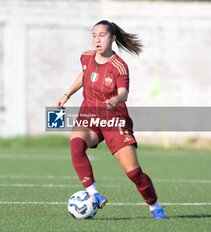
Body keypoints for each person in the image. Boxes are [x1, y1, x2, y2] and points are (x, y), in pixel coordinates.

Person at [56, 20, 167, 219]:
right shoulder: (86, 56)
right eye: (94, 35)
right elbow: (84, 74)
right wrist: (67, 94)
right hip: (89, 116)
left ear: (112, 38)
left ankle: (155, 206)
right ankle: (93, 194)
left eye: (102, 35)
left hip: (114, 120)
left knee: (134, 173)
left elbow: (124, 92)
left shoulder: (119, 66)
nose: (97, 40)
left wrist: (115, 99)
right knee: (76, 144)